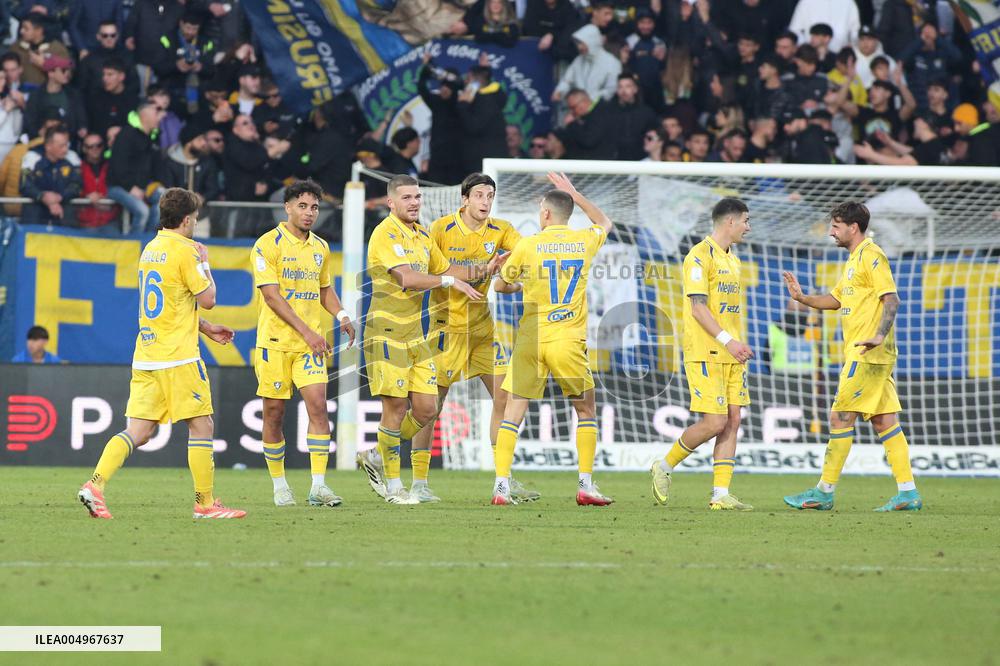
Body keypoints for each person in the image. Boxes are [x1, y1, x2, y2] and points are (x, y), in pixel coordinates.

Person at [78, 187, 246, 520]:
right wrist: (205, 263)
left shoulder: (150, 248)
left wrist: (206, 327)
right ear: (187, 219)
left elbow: (172, 303)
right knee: (201, 425)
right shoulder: (186, 251)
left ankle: (95, 485)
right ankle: (205, 503)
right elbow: (208, 297)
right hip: (178, 356)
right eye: (195, 218)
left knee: (138, 431)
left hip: (147, 353)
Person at [358, 174, 494, 505]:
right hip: (386, 333)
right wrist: (447, 281)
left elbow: (448, 268)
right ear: (391, 202)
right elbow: (407, 278)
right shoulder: (385, 233)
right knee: (394, 407)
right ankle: (394, 487)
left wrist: (484, 268)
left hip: (416, 336)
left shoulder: (421, 235)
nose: (415, 202)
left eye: (417, 197)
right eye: (407, 198)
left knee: (426, 408)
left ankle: (376, 454)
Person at [403, 173, 538, 503]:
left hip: (482, 330)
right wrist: (483, 269)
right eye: (479, 195)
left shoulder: (500, 230)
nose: (485, 202)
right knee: (430, 408)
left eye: (490, 196)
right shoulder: (441, 230)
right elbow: (429, 272)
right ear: (464, 200)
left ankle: (503, 479)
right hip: (446, 329)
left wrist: (517, 274)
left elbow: (528, 253)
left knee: (504, 399)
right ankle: (418, 482)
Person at [782, 202, 922, 512]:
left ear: (852, 227)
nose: (831, 231)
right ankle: (908, 492)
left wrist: (879, 335)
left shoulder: (872, 256)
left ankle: (824, 491)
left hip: (868, 351)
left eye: (835, 225)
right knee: (885, 421)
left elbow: (892, 299)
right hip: (871, 353)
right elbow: (835, 300)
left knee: (839, 416)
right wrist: (802, 297)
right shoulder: (853, 260)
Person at [490, 173, 614, 506]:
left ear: (545, 214)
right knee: (585, 410)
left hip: (531, 338)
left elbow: (500, 286)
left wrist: (517, 282)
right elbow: (604, 221)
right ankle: (585, 485)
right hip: (567, 339)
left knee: (513, 411)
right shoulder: (583, 240)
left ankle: (501, 487)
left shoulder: (527, 245)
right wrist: (573, 191)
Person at [251, 179, 355, 507]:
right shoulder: (267, 245)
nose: (309, 213)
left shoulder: (320, 247)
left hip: (310, 348)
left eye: (314, 207)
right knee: (274, 413)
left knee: (319, 406)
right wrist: (308, 332)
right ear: (287, 207)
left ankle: (319, 486)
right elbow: (271, 296)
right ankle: (279, 485)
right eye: (302, 206)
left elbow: (325, 288)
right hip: (275, 343)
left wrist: (341, 315)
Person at [649, 198, 754, 511]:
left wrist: (736, 343)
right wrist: (727, 341)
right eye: (746, 221)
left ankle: (720, 494)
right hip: (707, 350)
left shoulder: (734, 260)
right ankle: (663, 466)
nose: (748, 227)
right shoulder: (698, 256)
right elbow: (697, 308)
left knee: (733, 420)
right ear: (730, 222)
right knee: (715, 423)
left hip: (732, 352)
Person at [107, 99, 165, 232]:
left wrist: (158, 185)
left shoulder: (152, 138)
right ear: (145, 114)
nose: (160, 116)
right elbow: (118, 166)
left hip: (143, 187)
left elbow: (158, 168)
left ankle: (149, 243)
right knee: (142, 211)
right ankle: (134, 247)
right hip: (118, 186)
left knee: (164, 203)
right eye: (156, 112)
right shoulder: (126, 134)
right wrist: (131, 187)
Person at [20, 124, 82, 226]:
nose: (65, 149)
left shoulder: (72, 157)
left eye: (67, 144)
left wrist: (60, 197)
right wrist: (43, 196)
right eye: (61, 146)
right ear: (48, 146)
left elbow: (77, 185)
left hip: (64, 221)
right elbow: (24, 184)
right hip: (35, 221)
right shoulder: (32, 157)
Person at [551, 23, 622, 104]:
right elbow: (567, 80)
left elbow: (611, 90)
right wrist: (560, 91)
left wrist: (587, 100)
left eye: (582, 43)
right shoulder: (579, 60)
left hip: (601, 110)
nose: (579, 47)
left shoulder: (612, 63)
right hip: (577, 108)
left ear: (592, 41)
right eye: (577, 43)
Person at [456, 64, 507, 174]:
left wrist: (463, 104)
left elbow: (474, 127)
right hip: (486, 160)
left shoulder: (486, 101)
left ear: (477, 81)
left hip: (483, 163)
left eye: (468, 79)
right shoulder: (493, 98)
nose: (465, 82)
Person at [77, 132, 119, 231]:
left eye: (98, 145)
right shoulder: (77, 168)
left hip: (110, 221)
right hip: (85, 223)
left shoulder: (112, 167)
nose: (95, 149)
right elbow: (72, 188)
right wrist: (86, 196)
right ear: (84, 149)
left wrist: (104, 198)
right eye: (90, 146)